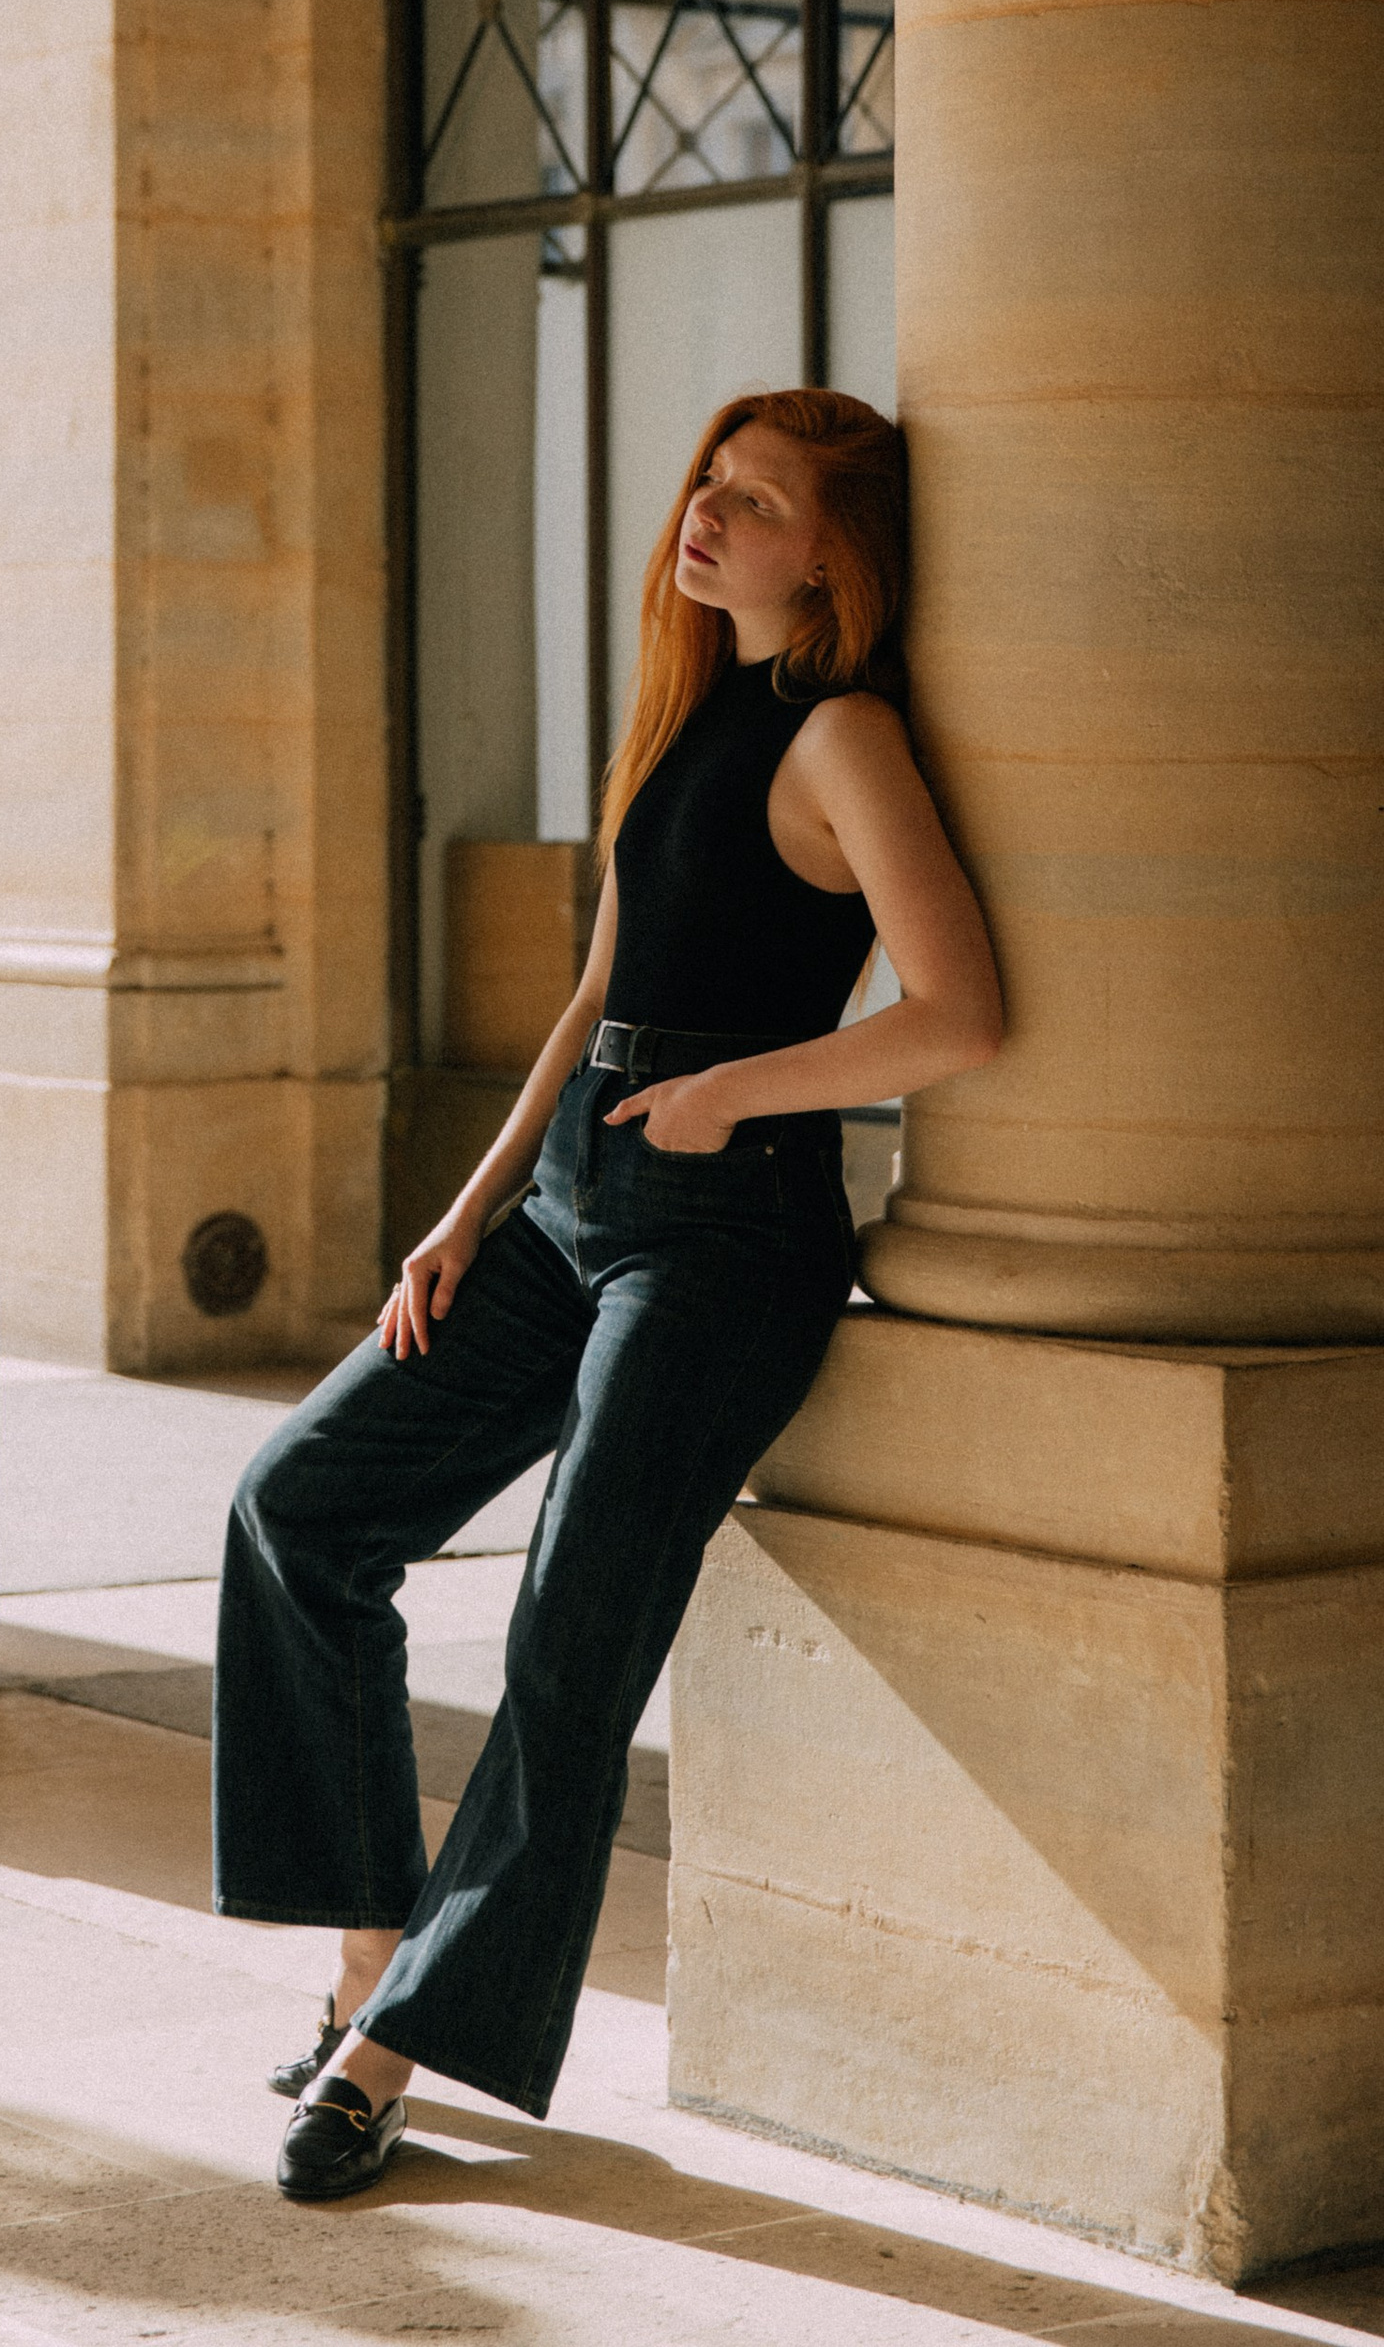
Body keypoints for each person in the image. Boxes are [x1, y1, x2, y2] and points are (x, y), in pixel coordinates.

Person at [213, 387, 1003, 2203]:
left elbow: (958, 1009)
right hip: (571, 1198)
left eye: (756, 498)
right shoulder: (690, 717)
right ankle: (362, 1952)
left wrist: (737, 1090)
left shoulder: (842, 730)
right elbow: (591, 998)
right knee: (298, 1507)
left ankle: (393, 2051)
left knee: (569, 1640)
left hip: (724, 1237)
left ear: (835, 552)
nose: (702, 516)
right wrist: (465, 1210)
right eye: (706, 486)